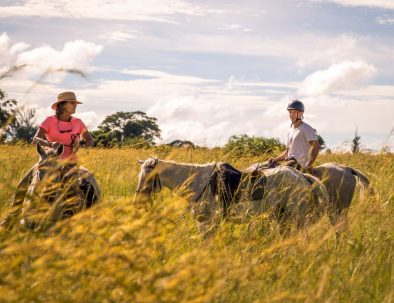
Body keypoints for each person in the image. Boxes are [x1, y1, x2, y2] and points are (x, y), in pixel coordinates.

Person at [33, 91, 94, 160]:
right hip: (51, 163)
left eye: (75, 103)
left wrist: (81, 144)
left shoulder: (78, 122)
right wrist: (50, 144)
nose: (75, 105)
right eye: (72, 103)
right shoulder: (49, 120)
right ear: (62, 105)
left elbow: (90, 140)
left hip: (71, 164)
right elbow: (35, 139)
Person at [269, 100, 319, 174]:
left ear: (301, 113)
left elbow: (316, 147)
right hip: (289, 162)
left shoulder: (307, 128)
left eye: (294, 112)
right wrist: (275, 159)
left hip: (299, 164)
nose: (291, 114)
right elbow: (287, 153)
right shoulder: (290, 130)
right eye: (290, 112)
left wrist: (309, 164)